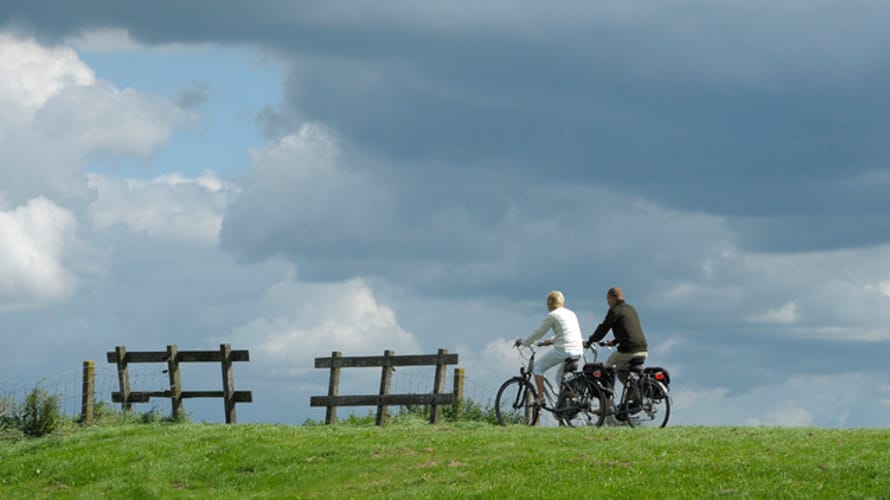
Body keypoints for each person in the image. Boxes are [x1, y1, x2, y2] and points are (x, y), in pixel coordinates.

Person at [514, 290, 584, 405]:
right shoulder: (571, 313)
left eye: (547, 304)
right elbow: (567, 333)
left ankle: (540, 399)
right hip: (577, 350)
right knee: (559, 378)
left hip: (564, 350)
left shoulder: (553, 315)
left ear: (550, 303)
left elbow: (538, 332)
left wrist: (525, 342)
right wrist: (551, 340)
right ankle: (572, 402)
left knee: (538, 367)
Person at [585, 287, 648, 386]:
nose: (608, 303)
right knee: (621, 371)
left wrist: (590, 341)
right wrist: (614, 342)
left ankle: (608, 397)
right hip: (643, 350)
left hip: (629, 350)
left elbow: (603, 329)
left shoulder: (615, 310)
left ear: (612, 298)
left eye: (608, 300)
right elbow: (628, 331)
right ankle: (634, 392)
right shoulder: (631, 309)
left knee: (607, 368)